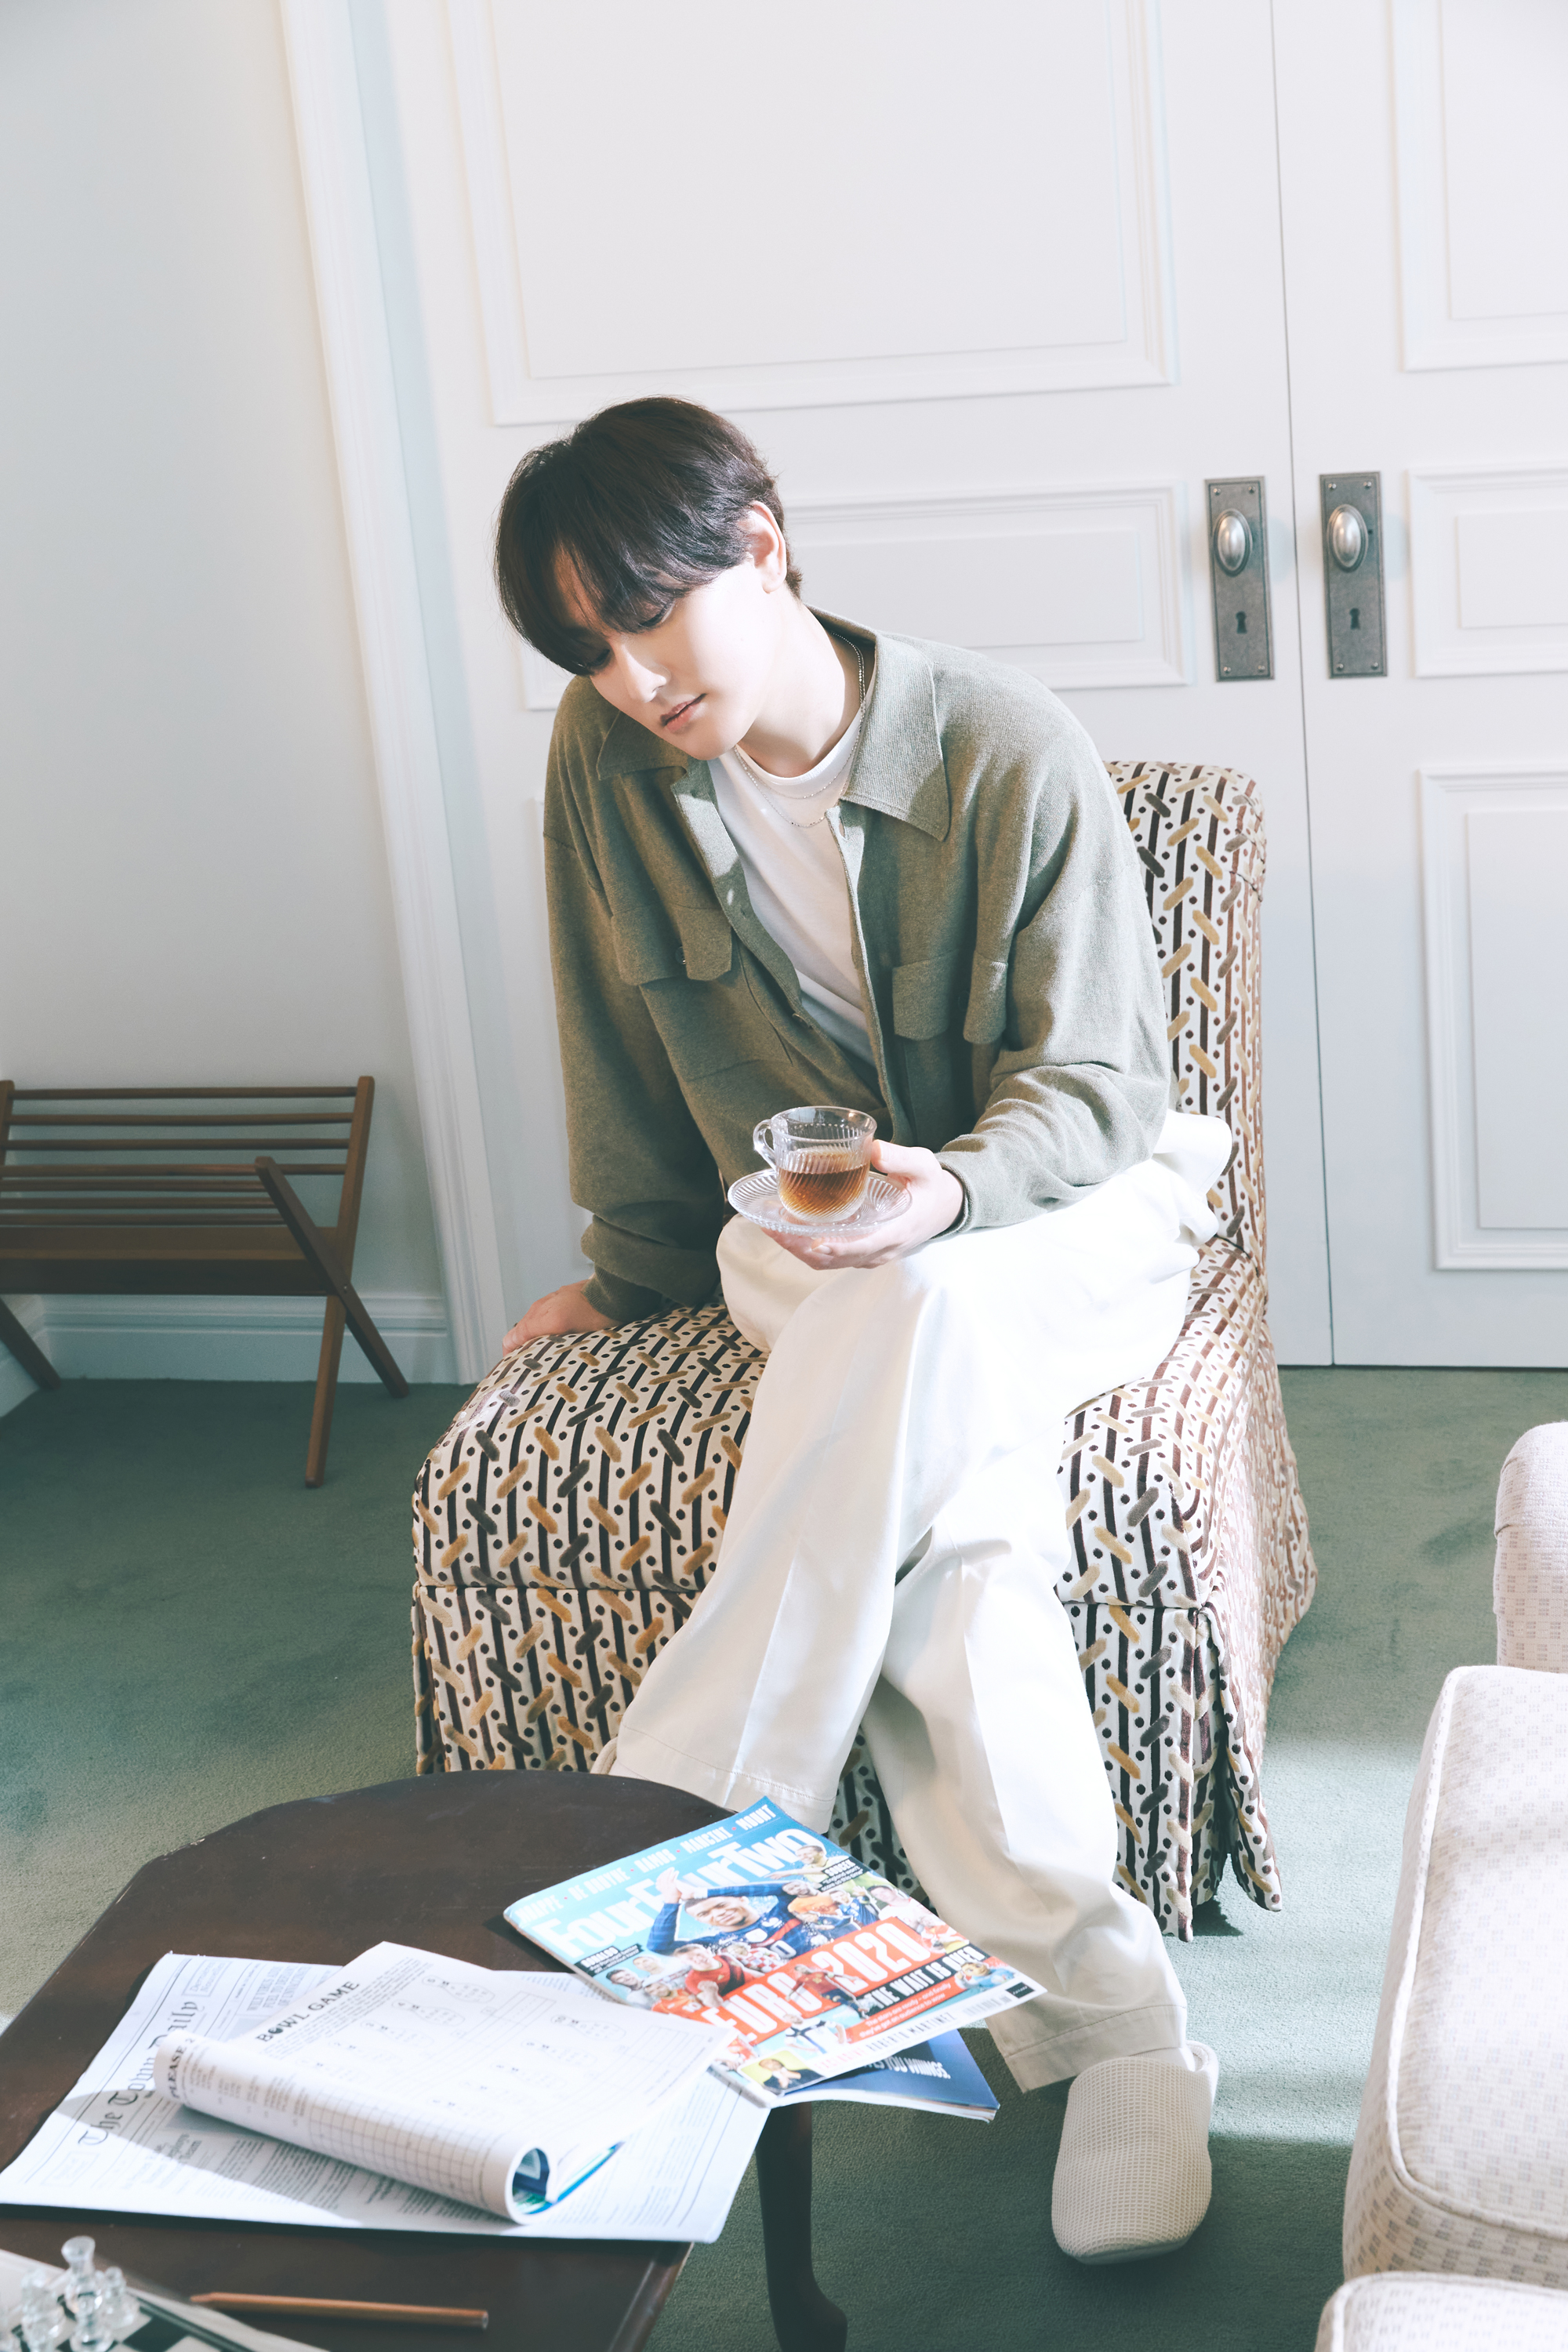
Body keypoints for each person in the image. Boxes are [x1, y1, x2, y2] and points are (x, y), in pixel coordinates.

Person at [493, 396, 1229, 2265]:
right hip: (810, 1236)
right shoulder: (605, 759)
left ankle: (679, 1849)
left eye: (647, 615)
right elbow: (612, 1034)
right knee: (963, 1529)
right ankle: (1120, 2029)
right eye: (585, 647)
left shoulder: (1001, 742)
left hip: (1051, 1214)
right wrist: (630, 1271)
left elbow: (1100, 1087)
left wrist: (951, 1193)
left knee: (925, 1307)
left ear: (761, 544)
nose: (630, 675)